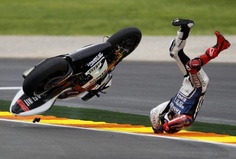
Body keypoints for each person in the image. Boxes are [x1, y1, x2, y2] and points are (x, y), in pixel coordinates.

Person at [149, 18, 231, 133]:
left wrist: (157, 128)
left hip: (188, 79)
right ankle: (219, 47)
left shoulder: (168, 108)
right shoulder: (187, 119)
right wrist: (165, 127)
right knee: (192, 66)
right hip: (198, 86)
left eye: (170, 117)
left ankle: (185, 27)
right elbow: (182, 120)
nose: (172, 116)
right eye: (173, 120)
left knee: (174, 52)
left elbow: (153, 112)